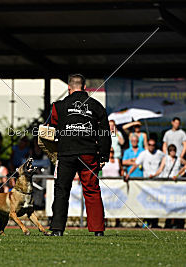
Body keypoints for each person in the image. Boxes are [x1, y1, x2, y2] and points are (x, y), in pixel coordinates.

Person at [48, 73, 111, 236]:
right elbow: (105, 134)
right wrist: (103, 156)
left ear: (69, 88)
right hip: (88, 154)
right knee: (92, 190)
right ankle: (98, 230)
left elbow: (49, 129)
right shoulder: (97, 106)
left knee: (62, 190)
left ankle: (57, 229)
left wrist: (51, 150)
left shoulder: (58, 106)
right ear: (84, 88)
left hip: (66, 154)